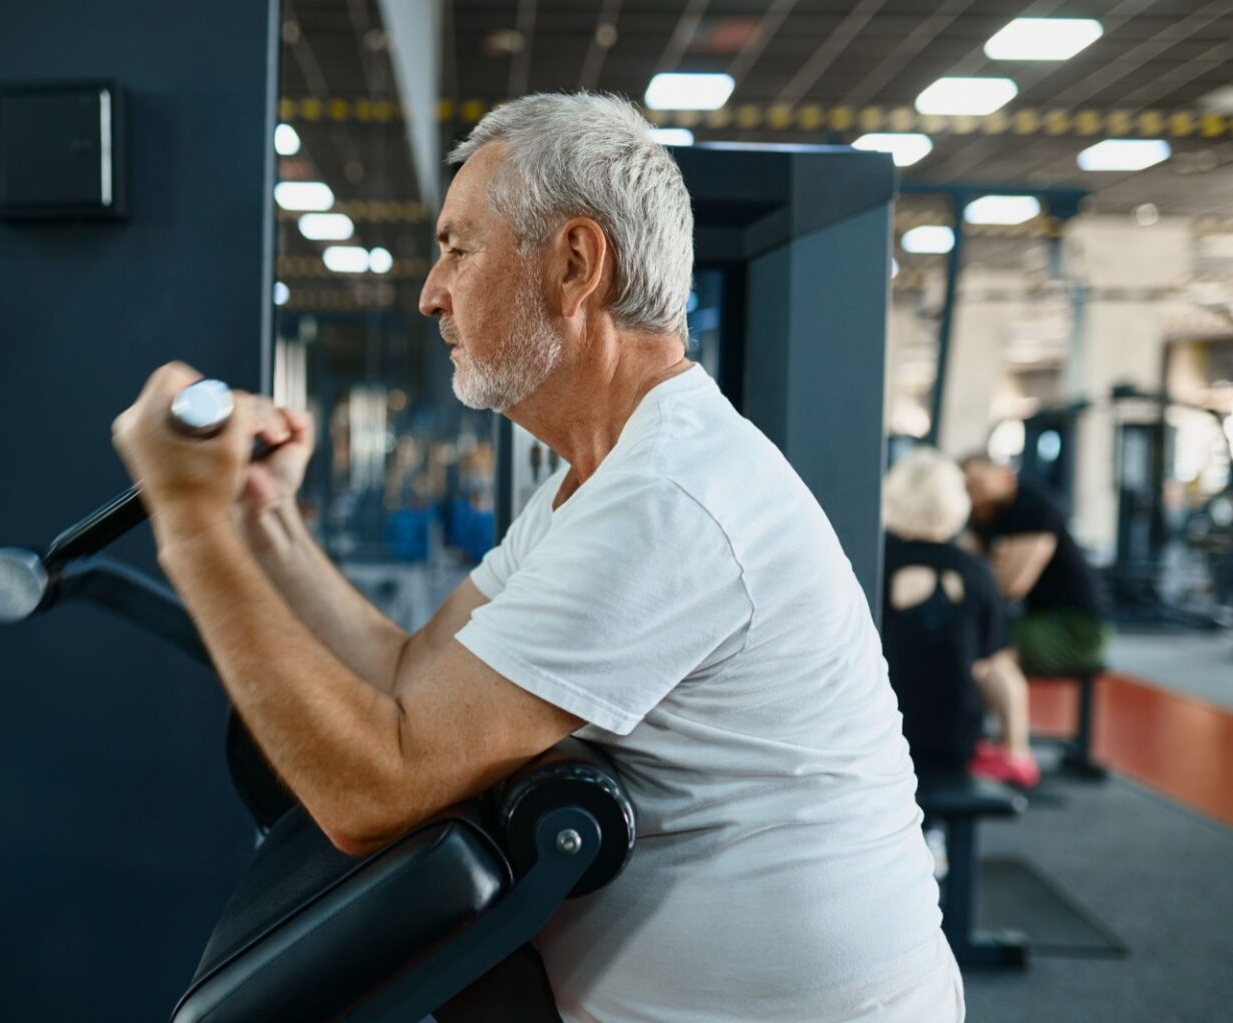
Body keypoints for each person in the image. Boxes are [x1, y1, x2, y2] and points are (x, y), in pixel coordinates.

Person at [112, 93, 961, 1022]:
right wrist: (259, 519)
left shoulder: (671, 497)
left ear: (574, 262)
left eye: (458, 249)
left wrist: (190, 525)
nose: (432, 290)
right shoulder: (598, 482)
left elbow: (373, 786)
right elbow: (407, 673)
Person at [882, 448, 1039, 788]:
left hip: (882, 734)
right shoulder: (975, 571)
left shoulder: (876, 564)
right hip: (953, 740)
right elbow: (989, 661)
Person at [962, 455, 1110, 676]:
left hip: (1078, 629)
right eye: (967, 488)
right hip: (1037, 620)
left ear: (1005, 476)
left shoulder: (1033, 507)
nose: (973, 493)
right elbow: (966, 568)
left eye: (978, 484)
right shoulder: (983, 514)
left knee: (981, 638)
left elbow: (1011, 585)